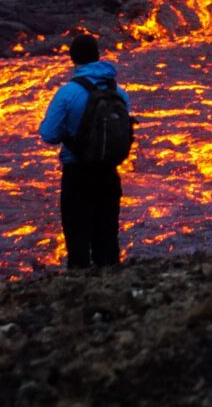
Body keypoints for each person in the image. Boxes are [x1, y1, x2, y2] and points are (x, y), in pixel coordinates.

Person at [37, 32, 130, 268]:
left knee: (78, 241)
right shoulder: (119, 92)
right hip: (109, 174)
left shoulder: (68, 92)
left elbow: (49, 135)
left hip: (77, 174)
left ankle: (78, 294)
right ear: (98, 55)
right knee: (107, 238)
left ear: (73, 58)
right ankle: (112, 290)